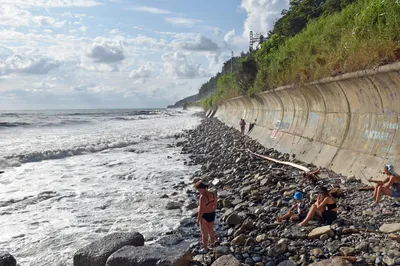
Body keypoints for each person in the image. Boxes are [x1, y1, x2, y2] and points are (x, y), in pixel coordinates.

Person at [194, 181, 217, 253]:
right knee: (211, 231)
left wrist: (198, 219)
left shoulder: (202, 197)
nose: (198, 191)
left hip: (204, 216)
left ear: (202, 188)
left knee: (204, 234)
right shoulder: (213, 194)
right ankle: (212, 245)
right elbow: (215, 204)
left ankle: (205, 248)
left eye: (198, 189)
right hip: (212, 214)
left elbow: (201, 210)